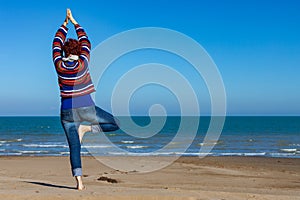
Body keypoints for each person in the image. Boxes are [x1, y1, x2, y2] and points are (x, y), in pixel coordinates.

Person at [52, 9, 119, 190]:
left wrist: (64, 25)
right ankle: (87, 128)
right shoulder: (83, 61)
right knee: (115, 124)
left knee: (74, 147)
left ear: (64, 52)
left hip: (66, 111)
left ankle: (79, 183)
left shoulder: (59, 64)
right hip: (86, 108)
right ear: (79, 51)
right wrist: (74, 22)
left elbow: (56, 44)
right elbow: (86, 40)